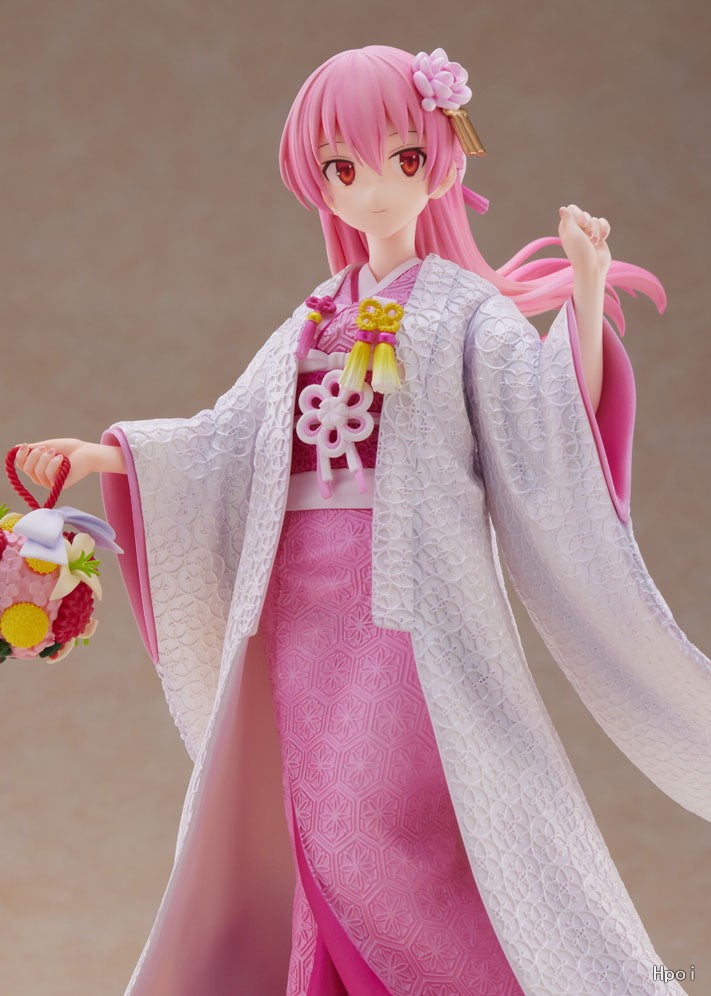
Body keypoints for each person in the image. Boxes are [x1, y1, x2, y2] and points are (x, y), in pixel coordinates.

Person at [13, 45, 710, 996]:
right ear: (320, 182)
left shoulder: (464, 315)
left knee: (391, 824)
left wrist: (584, 296)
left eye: (402, 159)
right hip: (301, 617)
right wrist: (109, 456)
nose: (373, 187)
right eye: (342, 167)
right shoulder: (310, 318)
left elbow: (548, 414)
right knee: (313, 818)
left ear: (440, 164)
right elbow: (226, 439)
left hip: (409, 616)